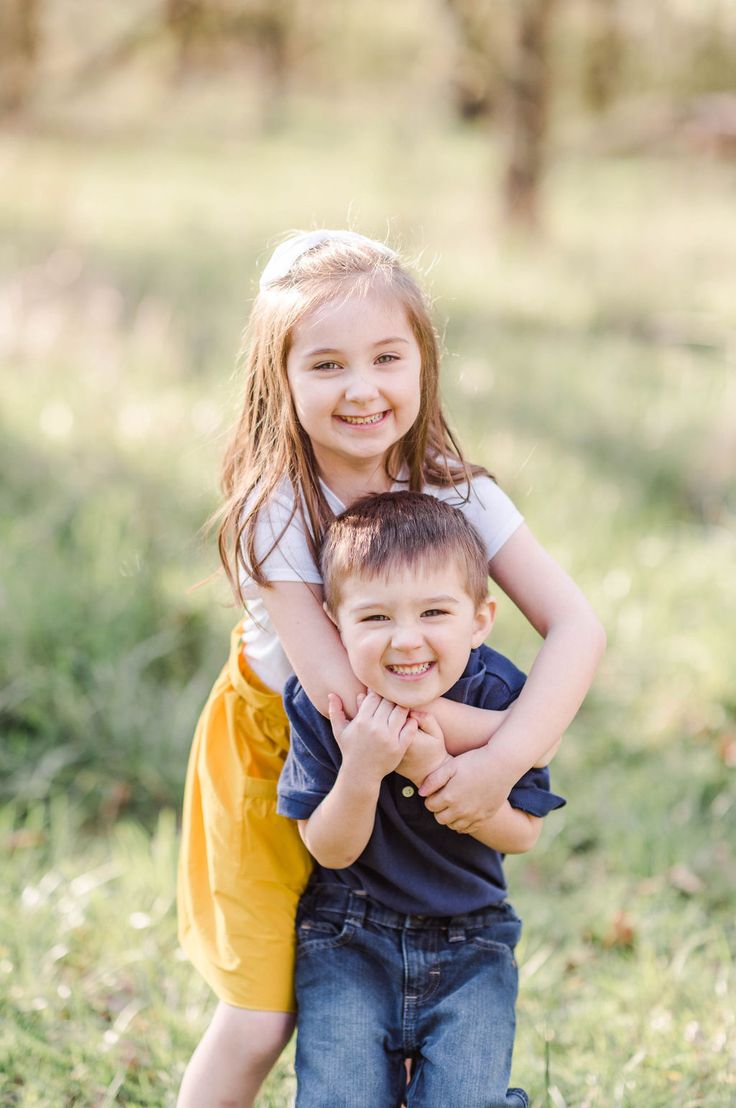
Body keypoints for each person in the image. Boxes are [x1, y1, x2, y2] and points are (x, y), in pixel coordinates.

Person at [176, 229, 605, 1107]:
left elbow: (577, 626)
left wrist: (500, 764)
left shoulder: (459, 493)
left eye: (386, 357)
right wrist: (496, 738)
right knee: (263, 1015)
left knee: (396, 987)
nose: (362, 389)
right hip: (275, 756)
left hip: (413, 765)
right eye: (327, 365)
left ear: (423, 362)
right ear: (280, 381)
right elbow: (343, 696)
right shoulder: (278, 510)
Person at [277, 491, 566, 1107]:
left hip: (472, 938)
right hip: (349, 929)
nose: (406, 641)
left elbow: (523, 834)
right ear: (335, 623)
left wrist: (439, 770)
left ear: (480, 620)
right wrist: (361, 769)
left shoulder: (502, 696)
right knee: (340, 1097)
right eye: (375, 618)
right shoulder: (321, 704)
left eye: (435, 612)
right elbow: (327, 848)